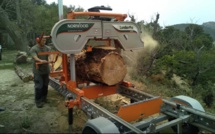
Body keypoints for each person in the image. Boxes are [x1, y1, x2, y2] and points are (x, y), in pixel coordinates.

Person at [30, 37, 51, 108]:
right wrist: (40, 61)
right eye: (43, 40)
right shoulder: (34, 49)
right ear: (38, 40)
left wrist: (51, 60)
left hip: (46, 70)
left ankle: (44, 98)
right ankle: (38, 101)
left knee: (45, 85)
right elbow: (35, 57)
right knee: (39, 86)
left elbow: (50, 55)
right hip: (38, 70)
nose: (44, 41)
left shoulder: (47, 48)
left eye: (45, 40)